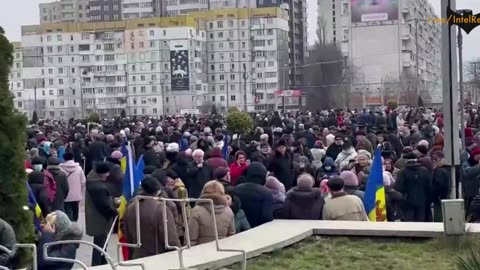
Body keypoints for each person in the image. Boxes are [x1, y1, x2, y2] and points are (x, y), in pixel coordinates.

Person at [124, 177, 180, 259]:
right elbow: (170, 238)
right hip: (157, 256)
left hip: (136, 255)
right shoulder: (161, 208)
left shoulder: (131, 206)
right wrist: (178, 252)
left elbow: (127, 232)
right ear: (158, 191)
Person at [85, 162, 118, 266]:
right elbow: (104, 206)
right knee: (100, 245)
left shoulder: (93, 181)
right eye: (107, 173)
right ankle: (97, 265)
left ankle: (102, 263)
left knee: (101, 244)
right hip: (100, 220)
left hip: (96, 218)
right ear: (101, 173)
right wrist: (115, 212)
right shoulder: (99, 187)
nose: (108, 175)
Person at [188, 181, 236, 246]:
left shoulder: (196, 211)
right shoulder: (228, 211)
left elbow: (190, 239)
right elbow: (232, 236)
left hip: (201, 252)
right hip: (223, 251)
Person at [395, 153, 433, 222]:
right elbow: (429, 187)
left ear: (406, 161)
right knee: (421, 223)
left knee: (409, 225)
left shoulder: (402, 172)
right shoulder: (424, 171)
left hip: (407, 203)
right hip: (422, 202)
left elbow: (398, 188)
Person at [234, 162, 273, 228]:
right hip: (258, 231)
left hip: (239, 230)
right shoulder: (266, 193)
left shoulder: (236, 189)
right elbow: (267, 217)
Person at [59, 152, 86, 222]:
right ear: (73, 158)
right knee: (75, 210)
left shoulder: (61, 168)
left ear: (64, 159)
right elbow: (83, 181)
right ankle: (75, 224)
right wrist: (80, 190)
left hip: (65, 194)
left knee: (67, 211)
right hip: (76, 194)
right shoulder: (79, 168)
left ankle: (69, 226)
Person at [431, 150, 451, 222]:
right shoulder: (446, 168)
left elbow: (439, 185)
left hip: (439, 198)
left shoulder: (439, 171)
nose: (433, 161)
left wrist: (437, 196)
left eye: (435, 159)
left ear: (440, 158)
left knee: (439, 217)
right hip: (443, 197)